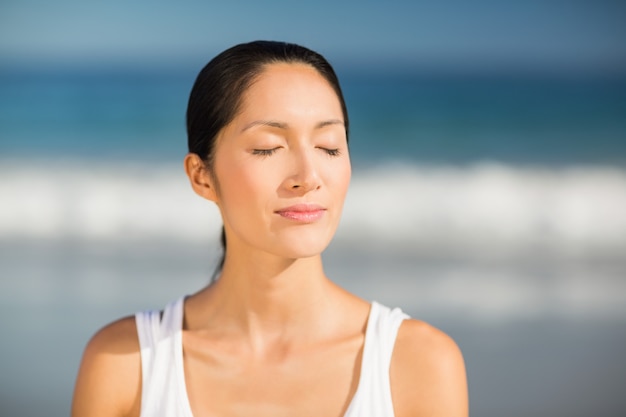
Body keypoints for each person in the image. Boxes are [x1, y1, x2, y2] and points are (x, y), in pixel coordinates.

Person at [71, 40, 468, 417]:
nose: (308, 176)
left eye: (329, 146)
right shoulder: (125, 361)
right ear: (201, 176)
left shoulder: (418, 363)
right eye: (267, 148)